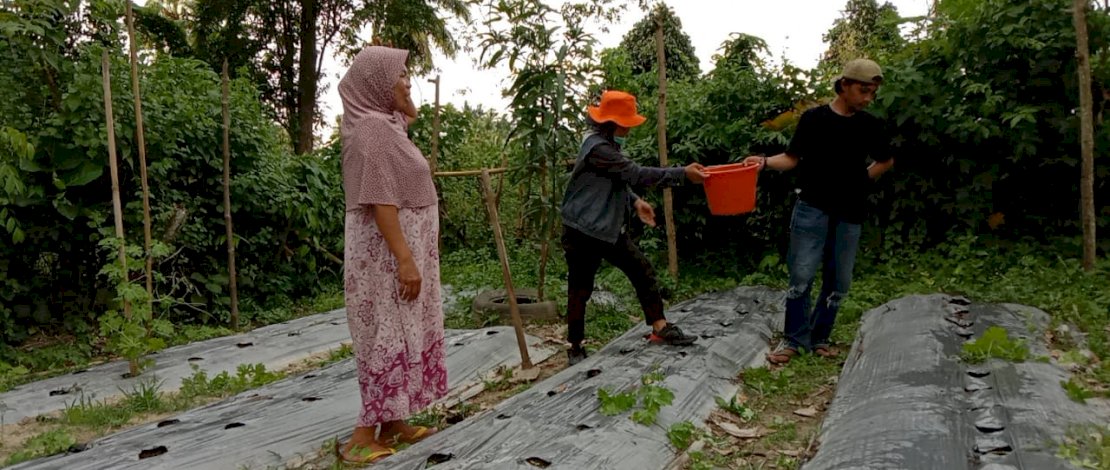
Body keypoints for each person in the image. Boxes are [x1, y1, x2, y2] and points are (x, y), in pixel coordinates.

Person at [743, 58, 895, 365]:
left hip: (849, 212)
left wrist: (860, 180)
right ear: (844, 86)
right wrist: (763, 162)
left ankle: (820, 337)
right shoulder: (815, 119)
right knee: (801, 275)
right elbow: (791, 157)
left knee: (839, 281)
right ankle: (795, 339)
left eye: (872, 93)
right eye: (863, 91)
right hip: (812, 207)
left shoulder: (870, 125)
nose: (867, 98)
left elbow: (886, 160)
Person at [337, 45, 446, 463]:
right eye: (400, 76)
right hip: (386, 259)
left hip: (398, 253)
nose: (407, 82)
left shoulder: (386, 125)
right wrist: (405, 259)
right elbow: (382, 201)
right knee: (386, 333)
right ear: (378, 84)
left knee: (402, 331)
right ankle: (361, 438)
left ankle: (394, 421)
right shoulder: (374, 131)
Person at [561, 90, 709, 366]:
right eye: (626, 122)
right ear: (613, 123)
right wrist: (682, 175)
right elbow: (636, 174)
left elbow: (617, 182)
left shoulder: (607, 147)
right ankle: (575, 346)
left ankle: (660, 327)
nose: (629, 127)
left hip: (605, 228)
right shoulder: (598, 149)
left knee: (641, 269)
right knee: (581, 288)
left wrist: (636, 201)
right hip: (581, 229)